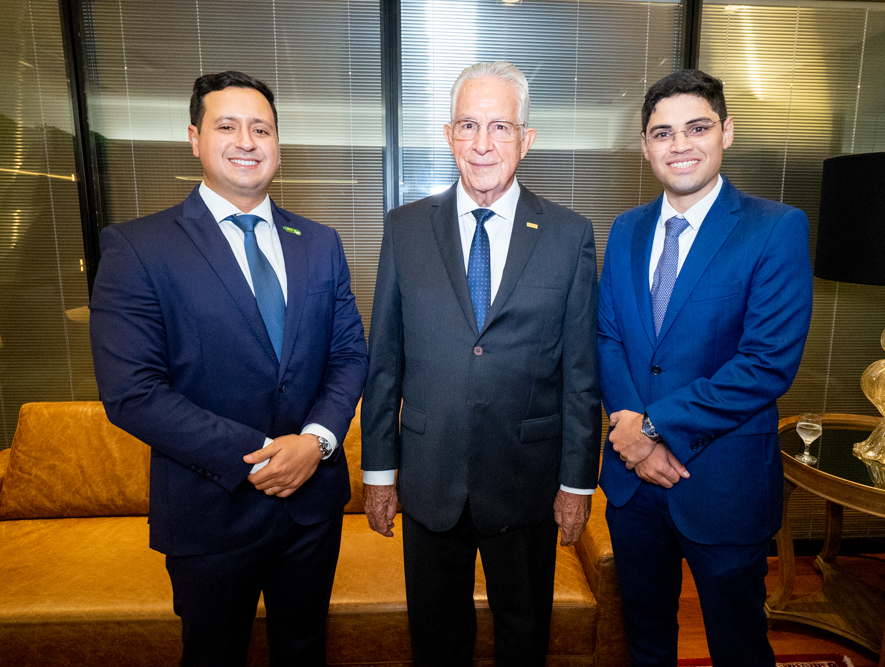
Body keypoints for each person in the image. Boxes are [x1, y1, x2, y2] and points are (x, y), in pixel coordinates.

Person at [89, 70, 368, 667]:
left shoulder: (320, 242)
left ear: (277, 143)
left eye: (261, 129)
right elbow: (132, 392)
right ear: (195, 138)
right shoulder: (138, 248)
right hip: (209, 512)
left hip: (312, 508)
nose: (247, 141)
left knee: (304, 651)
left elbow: (349, 355)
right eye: (227, 126)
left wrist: (316, 443)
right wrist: (264, 454)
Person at [361, 61, 602, 667]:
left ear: (526, 139)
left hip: (527, 480)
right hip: (429, 477)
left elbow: (580, 373)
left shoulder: (569, 235)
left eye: (500, 126)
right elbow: (384, 361)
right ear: (449, 136)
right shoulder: (404, 228)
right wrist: (380, 473)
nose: (483, 143)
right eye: (468, 125)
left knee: (524, 636)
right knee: (436, 640)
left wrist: (577, 483)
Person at [598, 69, 813, 666]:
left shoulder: (775, 228)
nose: (680, 145)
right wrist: (631, 434)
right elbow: (608, 337)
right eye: (663, 133)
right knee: (645, 642)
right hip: (632, 487)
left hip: (723, 486)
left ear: (727, 132)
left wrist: (651, 428)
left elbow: (766, 363)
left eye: (697, 128)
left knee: (738, 647)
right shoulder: (625, 229)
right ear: (646, 146)